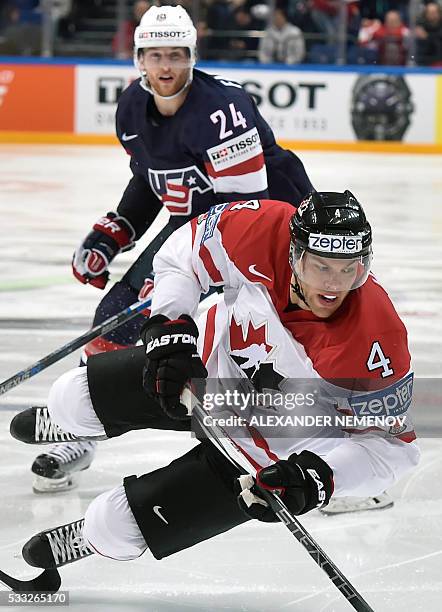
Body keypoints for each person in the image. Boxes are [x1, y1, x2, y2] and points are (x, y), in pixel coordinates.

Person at [11, 191, 419, 572]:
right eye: (321, 267)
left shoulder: (376, 341)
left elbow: (391, 448)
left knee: (113, 525)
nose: (335, 285)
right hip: (203, 376)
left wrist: (320, 477)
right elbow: (181, 255)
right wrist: (172, 333)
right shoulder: (261, 229)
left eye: (350, 269)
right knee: (72, 397)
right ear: (294, 254)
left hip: (261, 445)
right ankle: (69, 424)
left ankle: (85, 538)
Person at [28, 4, 314, 494]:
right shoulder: (131, 108)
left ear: (192, 57)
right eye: (155, 55)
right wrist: (114, 231)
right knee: (115, 314)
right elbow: (151, 181)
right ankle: (81, 430)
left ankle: (331, 446)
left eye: (177, 56)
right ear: (138, 58)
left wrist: (183, 282)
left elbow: (244, 210)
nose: (165, 67)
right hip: (199, 223)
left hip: (275, 226)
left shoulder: (222, 108)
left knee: (274, 341)